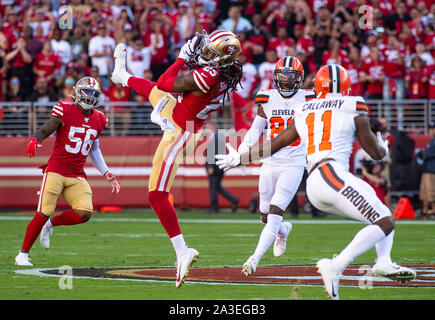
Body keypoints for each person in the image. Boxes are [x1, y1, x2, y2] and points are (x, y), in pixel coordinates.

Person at [215, 64, 416, 300]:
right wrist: (383, 145)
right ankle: (336, 265)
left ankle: (384, 261)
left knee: (380, 211)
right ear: (346, 85)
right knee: (385, 220)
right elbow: (376, 153)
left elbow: (274, 144)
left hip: (318, 180)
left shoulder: (304, 109)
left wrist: (239, 157)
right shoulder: (353, 104)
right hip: (331, 174)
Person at [111, 29, 243, 287]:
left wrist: (181, 58)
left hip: (180, 131)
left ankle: (182, 251)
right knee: (154, 93)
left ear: (219, 59)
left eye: (208, 51)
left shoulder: (208, 74)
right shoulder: (230, 68)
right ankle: (123, 76)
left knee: (156, 194)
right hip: (181, 113)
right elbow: (159, 89)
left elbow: (164, 81)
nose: (203, 52)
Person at [15, 77, 120, 266]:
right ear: (77, 92)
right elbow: (47, 128)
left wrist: (107, 173)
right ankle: (23, 254)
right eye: (86, 92)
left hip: (76, 173)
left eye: (93, 94)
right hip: (56, 169)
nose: (89, 97)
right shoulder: (65, 109)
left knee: (84, 213)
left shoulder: (100, 118)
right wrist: (34, 139)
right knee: (44, 211)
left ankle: (51, 225)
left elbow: (94, 149)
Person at [237, 56, 315, 276]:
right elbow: (256, 128)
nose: (287, 81)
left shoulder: (310, 98)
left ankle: (254, 259)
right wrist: (244, 148)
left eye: (291, 77)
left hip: (294, 162)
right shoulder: (267, 97)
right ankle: (283, 231)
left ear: (300, 79)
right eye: (283, 76)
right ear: (275, 76)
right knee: (264, 213)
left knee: (275, 210)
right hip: (270, 161)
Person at [205, 122, 239, 213]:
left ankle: (214, 207)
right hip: (218, 167)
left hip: (216, 167)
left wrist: (211, 166)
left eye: (207, 127)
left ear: (212, 127)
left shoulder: (215, 138)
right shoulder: (216, 137)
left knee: (213, 187)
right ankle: (233, 200)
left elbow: (213, 153)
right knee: (217, 187)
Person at [418, 122, 435, 219]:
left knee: (432, 193)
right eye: (431, 128)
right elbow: (423, 155)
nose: (432, 131)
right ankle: (424, 212)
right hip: (427, 169)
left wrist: (423, 154)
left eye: (434, 128)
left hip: (432, 171)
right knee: (425, 194)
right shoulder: (431, 141)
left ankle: (433, 212)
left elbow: (425, 154)